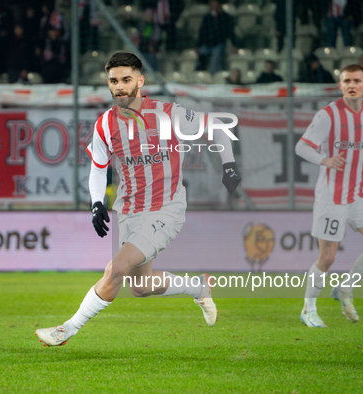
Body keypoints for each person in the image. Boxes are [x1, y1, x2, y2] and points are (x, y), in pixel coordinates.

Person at [35, 52, 242, 347]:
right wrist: (97, 203)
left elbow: (217, 130)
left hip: (166, 208)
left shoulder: (169, 113)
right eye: (113, 80)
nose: (119, 86)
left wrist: (229, 164)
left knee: (115, 269)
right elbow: (98, 167)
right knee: (141, 287)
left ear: (140, 81)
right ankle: (198, 287)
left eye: (126, 79)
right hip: (129, 210)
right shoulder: (106, 124)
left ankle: (66, 329)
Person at [295, 64, 363, 328]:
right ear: (340, 86)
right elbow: (302, 147)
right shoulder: (328, 114)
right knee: (328, 257)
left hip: (361, 192)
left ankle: (345, 288)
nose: (352, 85)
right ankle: (309, 309)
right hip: (333, 194)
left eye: (357, 80)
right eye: (347, 81)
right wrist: (325, 160)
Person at [195, 0, 236, 75]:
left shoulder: (225, 17)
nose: (213, 4)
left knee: (215, 60)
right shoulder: (207, 17)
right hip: (207, 44)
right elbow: (202, 32)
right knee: (201, 55)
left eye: (214, 2)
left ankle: (213, 77)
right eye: (211, 3)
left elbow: (230, 32)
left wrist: (234, 45)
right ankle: (199, 74)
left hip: (218, 44)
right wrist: (198, 46)